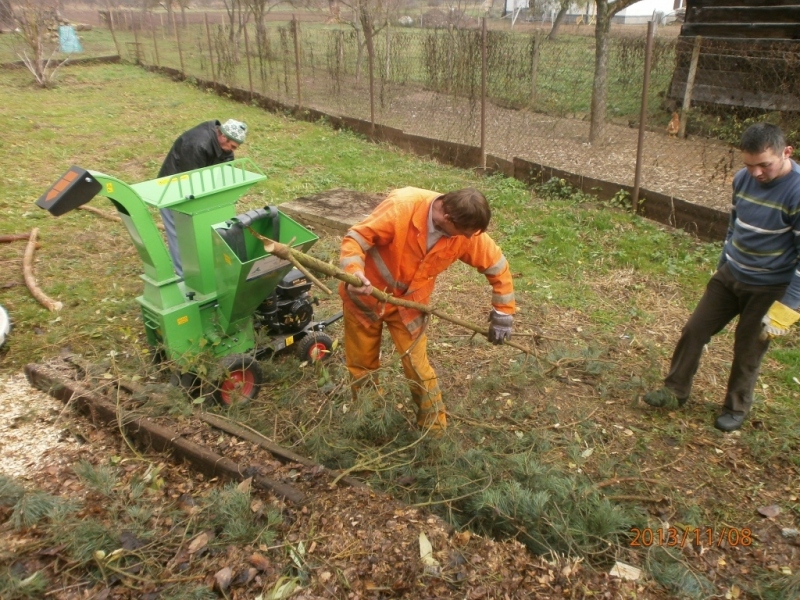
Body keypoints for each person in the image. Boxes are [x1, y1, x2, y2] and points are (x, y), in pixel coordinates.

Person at [644, 123, 800, 432]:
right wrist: (722, 264)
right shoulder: (743, 179)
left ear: (786, 152)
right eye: (749, 165)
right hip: (731, 273)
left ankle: (736, 407)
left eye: (764, 165)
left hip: (770, 286)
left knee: (748, 348)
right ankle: (675, 390)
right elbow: (734, 225)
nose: (756, 173)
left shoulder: (797, 191)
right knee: (694, 330)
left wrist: (790, 304)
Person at [339, 186, 515, 434]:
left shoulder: (466, 232)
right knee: (362, 364)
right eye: (463, 233)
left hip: (410, 307)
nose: (467, 239)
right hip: (366, 297)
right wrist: (353, 274)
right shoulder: (402, 208)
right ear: (447, 217)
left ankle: (433, 431)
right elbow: (356, 238)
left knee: (418, 368)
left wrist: (503, 312)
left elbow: (497, 266)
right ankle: (369, 418)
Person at [157, 119, 248, 277]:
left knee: (204, 230)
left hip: (196, 185)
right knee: (180, 234)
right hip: (173, 189)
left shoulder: (224, 147)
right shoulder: (197, 144)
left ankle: (209, 270)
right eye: (232, 146)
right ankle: (185, 278)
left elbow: (224, 172)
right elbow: (191, 181)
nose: (232, 151)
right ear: (223, 136)